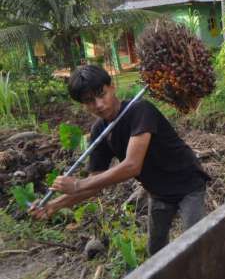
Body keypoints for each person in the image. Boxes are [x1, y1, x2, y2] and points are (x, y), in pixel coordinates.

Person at [30, 65, 210, 255]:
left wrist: (78, 184)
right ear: (83, 104)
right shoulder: (99, 131)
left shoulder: (140, 110)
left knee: (196, 244)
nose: (98, 104)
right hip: (159, 193)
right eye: (89, 101)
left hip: (188, 184)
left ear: (113, 86)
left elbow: (132, 166)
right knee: (156, 252)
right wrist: (53, 205)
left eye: (102, 94)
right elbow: (94, 184)